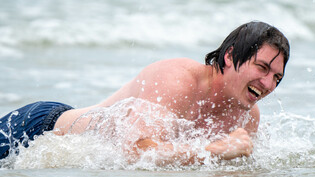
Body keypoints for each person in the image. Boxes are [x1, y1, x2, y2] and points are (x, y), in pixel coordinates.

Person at [0, 21, 290, 165]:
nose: (267, 84)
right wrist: (216, 150)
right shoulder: (179, 79)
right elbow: (137, 152)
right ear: (229, 56)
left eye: (277, 77)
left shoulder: (248, 116)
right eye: (262, 67)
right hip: (40, 127)